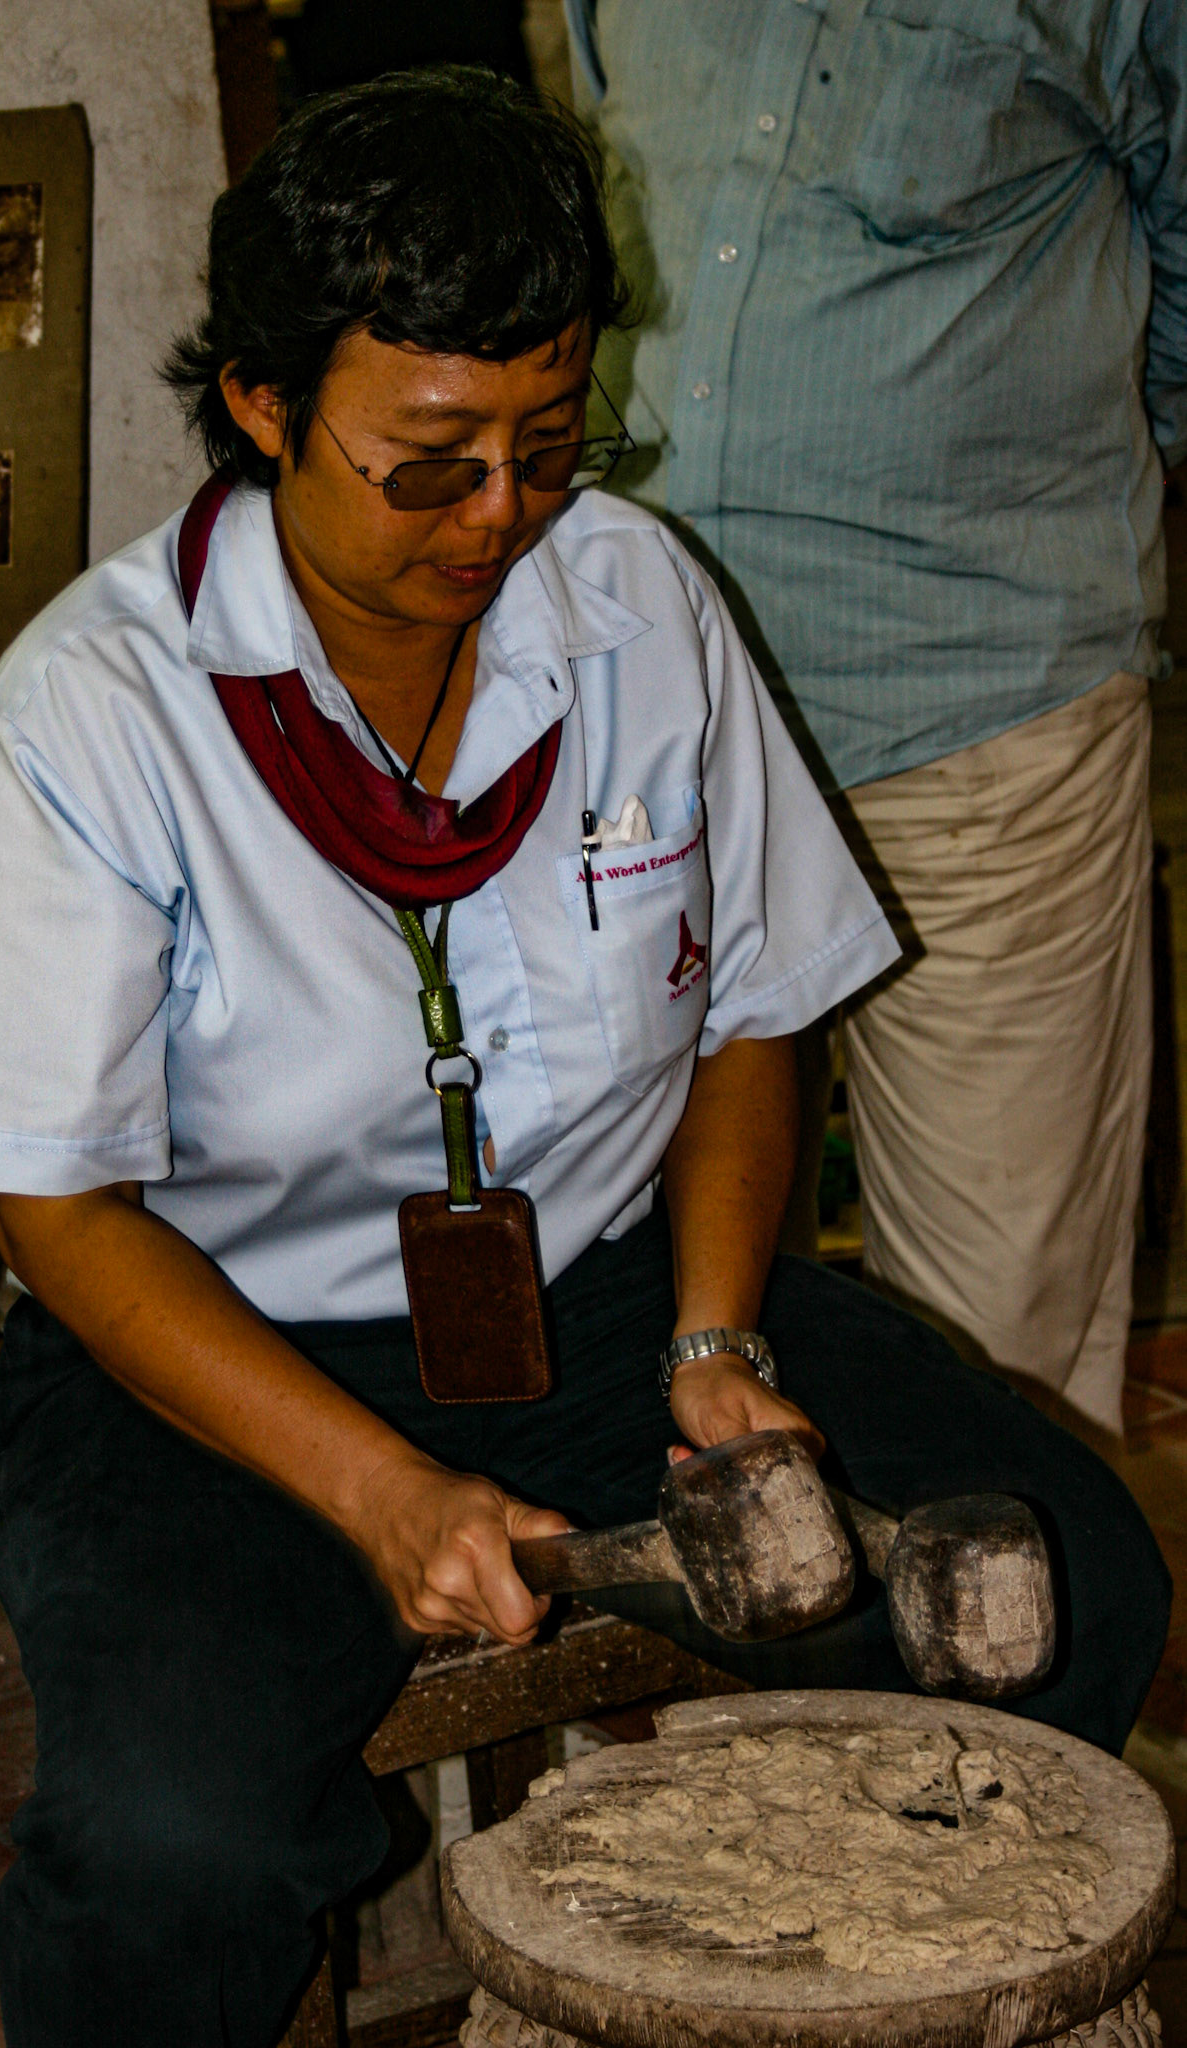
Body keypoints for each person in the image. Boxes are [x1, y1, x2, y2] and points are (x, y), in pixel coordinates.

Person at [0, 69, 1168, 2048]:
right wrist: (386, 1492)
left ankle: (827, 1994)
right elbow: (52, 1207)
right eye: (425, 460)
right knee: (176, 1853)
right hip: (215, 1369)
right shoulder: (92, 720)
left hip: (595, 1316)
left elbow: (754, 1000)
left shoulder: (634, 601)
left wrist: (711, 1339)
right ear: (259, 402)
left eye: (547, 442)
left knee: (1070, 1588)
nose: (497, 515)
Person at [562, 0, 1187, 1436]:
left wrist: (1044, 478)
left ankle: (985, 1657)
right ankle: (761, 1639)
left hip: (973, 700)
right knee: (661, 1276)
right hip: (658, 716)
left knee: (995, 1321)